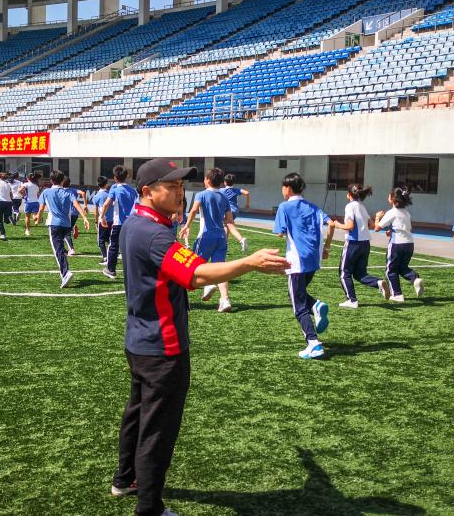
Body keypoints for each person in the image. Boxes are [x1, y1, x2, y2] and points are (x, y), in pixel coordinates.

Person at [112, 158, 289, 516]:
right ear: (147, 191)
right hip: (163, 348)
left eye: (181, 186)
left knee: (138, 414)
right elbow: (196, 275)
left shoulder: (136, 223)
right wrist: (249, 263)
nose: (180, 192)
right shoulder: (154, 233)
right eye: (171, 187)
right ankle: (149, 507)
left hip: (140, 341)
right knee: (158, 430)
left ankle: (125, 479)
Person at [273, 172, 335, 360]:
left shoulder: (284, 207)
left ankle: (313, 343)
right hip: (313, 260)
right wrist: (326, 247)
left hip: (297, 260)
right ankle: (316, 305)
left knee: (298, 304)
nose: (282, 190)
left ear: (288, 188)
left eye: (283, 187)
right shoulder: (313, 207)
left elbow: (280, 233)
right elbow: (331, 224)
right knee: (296, 294)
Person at [180, 168, 238, 313]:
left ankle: (207, 284)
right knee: (221, 269)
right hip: (221, 237)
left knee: (191, 265)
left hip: (206, 236)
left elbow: (194, 210)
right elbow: (229, 219)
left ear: (207, 180)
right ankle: (225, 299)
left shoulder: (202, 194)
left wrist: (187, 226)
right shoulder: (224, 197)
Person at [330, 184, 389, 308]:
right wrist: (377, 217)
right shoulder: (362, 206)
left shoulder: (350, 206)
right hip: (365, 244)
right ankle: (378, 282)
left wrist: (337, 225)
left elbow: (350, 226)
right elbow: (372, 225)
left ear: (349, 195)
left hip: (353, 243)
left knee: (344, 273)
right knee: (360, 274)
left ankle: (352, 300)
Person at [34, 171, 90, 288]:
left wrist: (38, 218)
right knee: (61, 250)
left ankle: (65, 274)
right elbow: (76, 205)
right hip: (66, 224)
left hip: (54, 224)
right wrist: (85, 218)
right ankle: (65, 272)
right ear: (62, 180)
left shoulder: (46, 192)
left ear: (51, 180)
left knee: (58, 250)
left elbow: (41, 208)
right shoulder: (68, 193)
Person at [374, 187, 424, 303]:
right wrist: (391, 231)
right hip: (409, 244)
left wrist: (377, 218)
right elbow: (407, 228)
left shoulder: (391, 212)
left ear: (393, 198)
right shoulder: (406, 213)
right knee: (402, 268)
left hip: (397, 244)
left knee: (390, 270)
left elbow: (376, 228)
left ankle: (397, 294)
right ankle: (415, 279)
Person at [100, 165, 138, 279]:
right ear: (127, 176)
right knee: (130, 247)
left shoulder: (115, 188)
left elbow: (106, 204)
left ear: (115, 177)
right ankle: (134, 273)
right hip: (131, 223)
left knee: (113, 246)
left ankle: (111, 270)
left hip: (119, 223)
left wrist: (102, 217)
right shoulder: (133, 190)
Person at [220, 173, 249, 252]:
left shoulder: (221, 190)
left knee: (229, 225)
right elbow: (247, 193)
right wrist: (247, 204)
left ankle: (241, 239)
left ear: (225, 182)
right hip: (235, 210)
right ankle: (224, 245)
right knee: (227, 226)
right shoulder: (236, 190)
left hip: (227, 211)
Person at [61, 176, 87, 256]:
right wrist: (85, 205)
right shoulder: (73, 190)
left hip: (66, 214)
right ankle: (72, 228)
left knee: (65, 233)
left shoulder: (61, 191)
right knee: (66, 231)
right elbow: (83, 193)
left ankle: (71, 249)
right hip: (75, 213)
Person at [92, 176, 113, 265]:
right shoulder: (111, 194)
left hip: (103, 220)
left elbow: (96, 211)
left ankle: (105, 258)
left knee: (100, 240)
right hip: (112, 220)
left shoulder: (96, 196)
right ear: (106, 184)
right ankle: (113, 255)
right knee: (110, 239)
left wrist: (96, 221)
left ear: (98, 184)